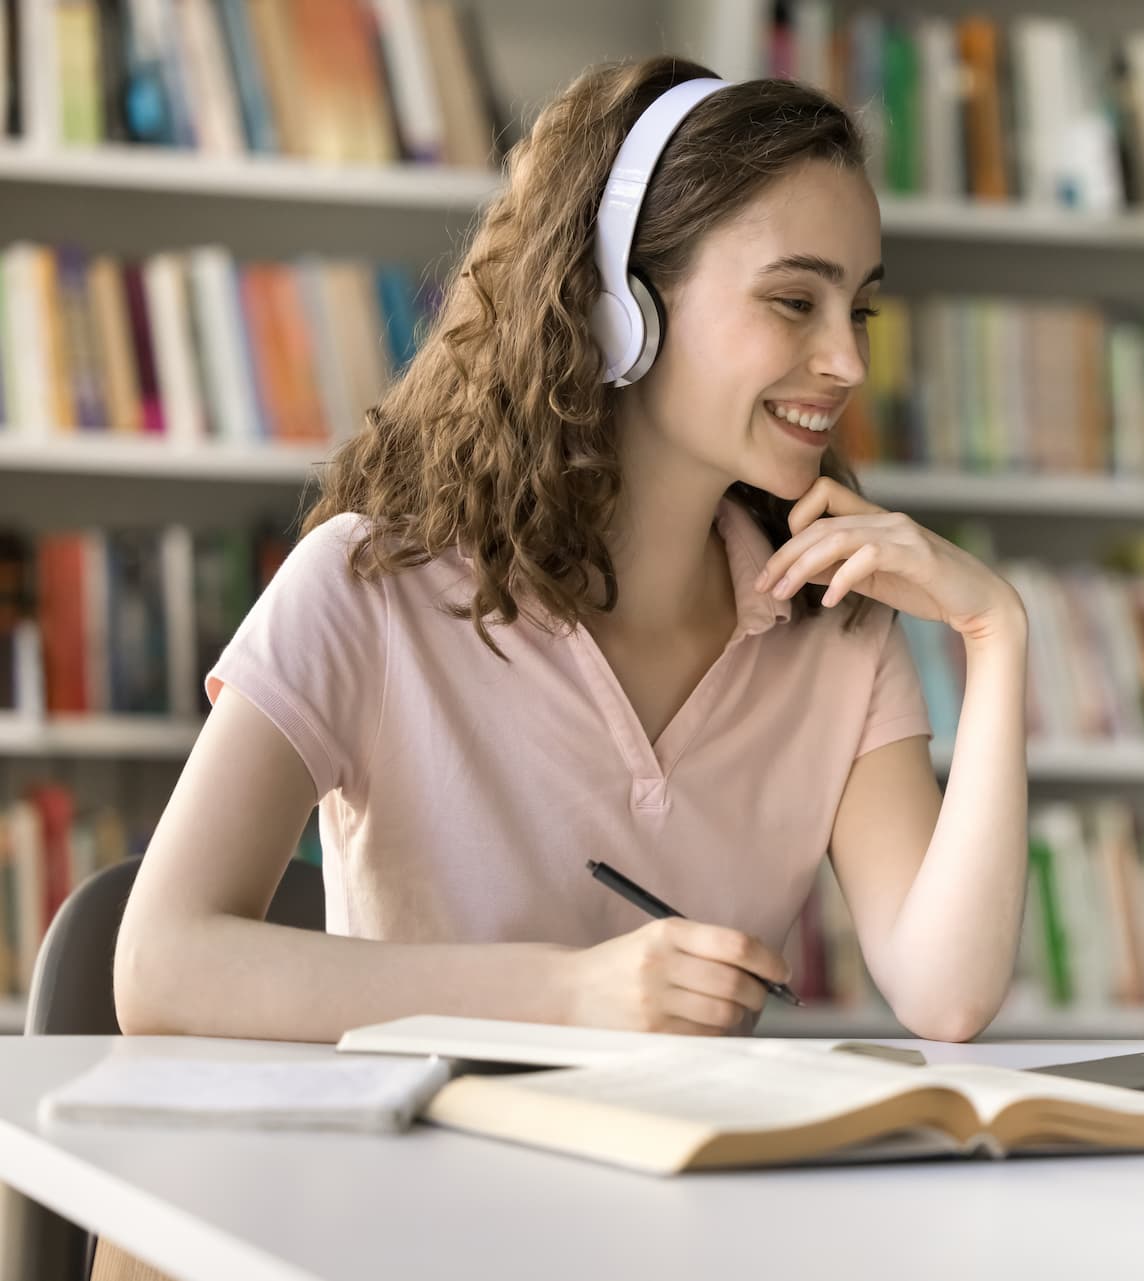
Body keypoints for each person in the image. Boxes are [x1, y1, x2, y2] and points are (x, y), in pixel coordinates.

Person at [111, 56, 1032, 1056]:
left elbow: (946, 997)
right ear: (620, 309)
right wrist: (567, 994)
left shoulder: (836, 626)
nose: (847, 362)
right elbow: (161, 963)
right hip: (419, 1202)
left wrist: (996, 635)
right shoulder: (366, 587)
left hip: (689, 1198)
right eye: (792, 302)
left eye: (857, 310)